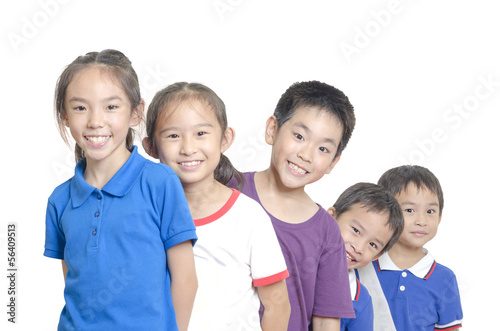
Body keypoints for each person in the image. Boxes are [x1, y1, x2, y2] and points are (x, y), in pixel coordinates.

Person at [44, 50, 198, 331]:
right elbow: (74, 278)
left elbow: (185, 279)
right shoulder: (59, 199)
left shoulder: (160, 182)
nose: (95, 121)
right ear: (64, 115)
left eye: (111, 107)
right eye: (80, 108)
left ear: (136, 112)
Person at [143, 82, 291, 331]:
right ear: (151, 146)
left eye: (201, 133)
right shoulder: (144, 214)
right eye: (173, 136)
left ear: (225, 139)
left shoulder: (248, 216)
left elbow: (277, 305)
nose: (188, 148)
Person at [228, 80, 356, 330]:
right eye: (299, 136)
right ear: (272, 130)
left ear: (333, 162)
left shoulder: (328, 232)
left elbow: (326, 320)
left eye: (322, 148)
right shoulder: (227, 189)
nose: (306, 155)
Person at [358, 165, 463, 331]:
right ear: (386, 213)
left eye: (430, 211)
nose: (421, 220)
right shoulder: (363, 265)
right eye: (409, 210)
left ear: (440, 217)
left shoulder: (445, 279)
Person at [326, 182, 404, 331]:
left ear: (377, 256)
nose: (359, 247)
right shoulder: (291, 259)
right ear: (331, 217)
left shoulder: (360, 302)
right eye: (356, 230)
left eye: (373, 245)